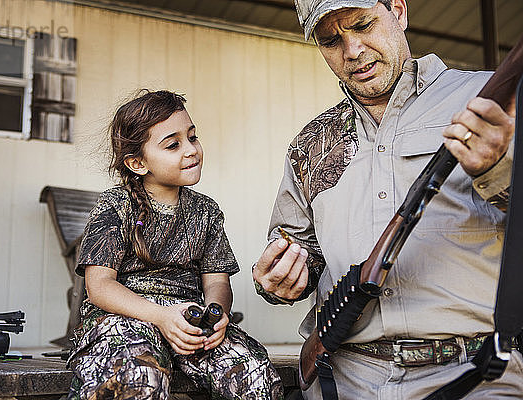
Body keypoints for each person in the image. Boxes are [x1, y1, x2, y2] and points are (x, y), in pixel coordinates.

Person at [252, 0, 522, 398]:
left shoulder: (492, 101)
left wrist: (495, 170)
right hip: (344, 377)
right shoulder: (310, 144)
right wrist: (280, 278)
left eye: (363, 25)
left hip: (475, 373)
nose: (353, 51)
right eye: (331, 40)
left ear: (398, 11)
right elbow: (296, 248)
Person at [67, 90, 283, 400]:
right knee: (137, 379)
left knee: (256, 377)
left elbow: (218, 281)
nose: (191, 150)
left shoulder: (205, 211)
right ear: (138, 163)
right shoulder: (115, 205)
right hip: (124, 318)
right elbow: (99, 286)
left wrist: (216, 314)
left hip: (189, 321)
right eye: (173, 145)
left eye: (193, 138)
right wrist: (160, 317)